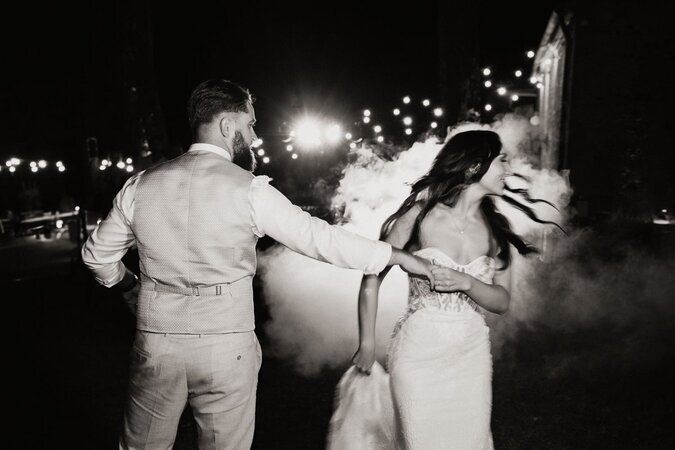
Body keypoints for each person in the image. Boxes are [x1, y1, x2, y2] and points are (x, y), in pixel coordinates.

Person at [81, 79, 435, 450]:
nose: (254, 135)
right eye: (250, 124)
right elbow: (320, 238)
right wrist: (396, 255)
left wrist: (129, 285)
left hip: (157, 342)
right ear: (226, 126)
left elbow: (96, 256)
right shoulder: (249, 189)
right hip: (226, 343)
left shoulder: (141, 185)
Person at [328, 130, 560, 449]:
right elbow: (372, 273)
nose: (508, 170)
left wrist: (469, 282)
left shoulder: (497, 232)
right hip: (417, 355)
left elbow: (502, 301)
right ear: (472, 166)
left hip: (471, 357)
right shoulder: (420, 216)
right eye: (501, 160)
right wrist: (366, 342)